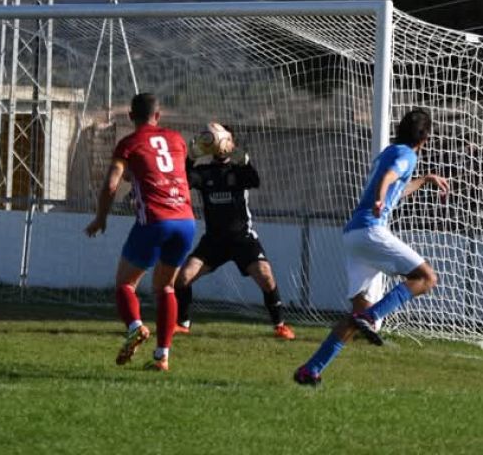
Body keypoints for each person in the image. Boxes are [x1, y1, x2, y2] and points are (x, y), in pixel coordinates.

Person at [294, 108, 450, 386]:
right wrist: (379, 201)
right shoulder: (406, 155)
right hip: (369, 230)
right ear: (426, 136)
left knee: (355, 319)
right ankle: (373, 314)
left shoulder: (391, 151)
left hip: (354, 234)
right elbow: (388, 179)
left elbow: (396, 188)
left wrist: (424, 180)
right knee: (427, 278)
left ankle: (311, 369)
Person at [85, 92, 196, 371]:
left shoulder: (129, 144)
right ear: (158, 116)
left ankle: (135, 326)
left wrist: (100, 218)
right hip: (185, 221)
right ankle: (162, 357)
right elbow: (169, 171)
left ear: (130, 117)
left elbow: (111, 185)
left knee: (125, 284)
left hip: (155, 221)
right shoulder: (177, 140)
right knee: (166, 287)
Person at [174, 125, 296, 340]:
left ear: (232, 143)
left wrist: (244, 160)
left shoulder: (238, 171)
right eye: (217, 138)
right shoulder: (204, 172)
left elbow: (254, 181)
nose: (221, 143)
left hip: (243, 239)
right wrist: (191, 157)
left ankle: (280, 325)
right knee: (183, 277)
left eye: (226, 139)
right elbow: (183, 179)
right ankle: (183, 323)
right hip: (213, 241)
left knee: (266, 276)